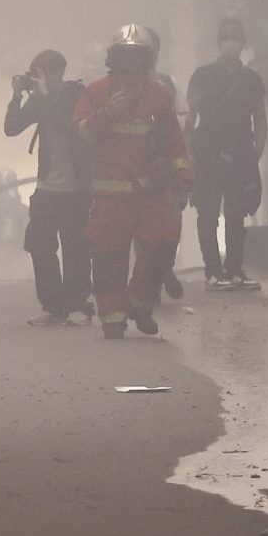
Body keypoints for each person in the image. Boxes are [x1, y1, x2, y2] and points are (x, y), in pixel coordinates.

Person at [75, 24, 190, 339]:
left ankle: (141, 302)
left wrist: (181, 181)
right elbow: (82, 133)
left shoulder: (159, 95)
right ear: (114, 58)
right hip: (110, 194)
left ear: (147, 60)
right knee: (108, 255)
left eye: (136, 57)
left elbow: (174, 143)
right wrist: (106, 114)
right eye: (124, 56)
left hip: (149, 192)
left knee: (164, 243)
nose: (130, 64)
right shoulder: (96, 92)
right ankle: (112, 316)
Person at [5, 48, 93, 324]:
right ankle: (52, 306)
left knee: (75, 247)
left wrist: (44, 95)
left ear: (58, 72)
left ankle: (78, 305)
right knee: (40, 245)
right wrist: (17, 95)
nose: (40, 79)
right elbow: (12, 127)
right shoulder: (40, 100)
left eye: (42, 74)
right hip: (46, 188)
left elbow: (66, 122)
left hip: (75, 188)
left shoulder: (77, 95)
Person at [186, 17, 268, 288]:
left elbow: (260, 118)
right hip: (207, 155)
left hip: (241, 155)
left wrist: (255, 153)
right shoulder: (202, 76)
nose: (230, 43)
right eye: (226, 37)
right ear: (219, 43)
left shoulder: (252, 80)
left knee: (237, 214)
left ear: (242, 43)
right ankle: (213, 271)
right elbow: (190, 117)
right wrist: (188, 154)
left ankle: (234, 270)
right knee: (208, 214)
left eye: (235, 37)